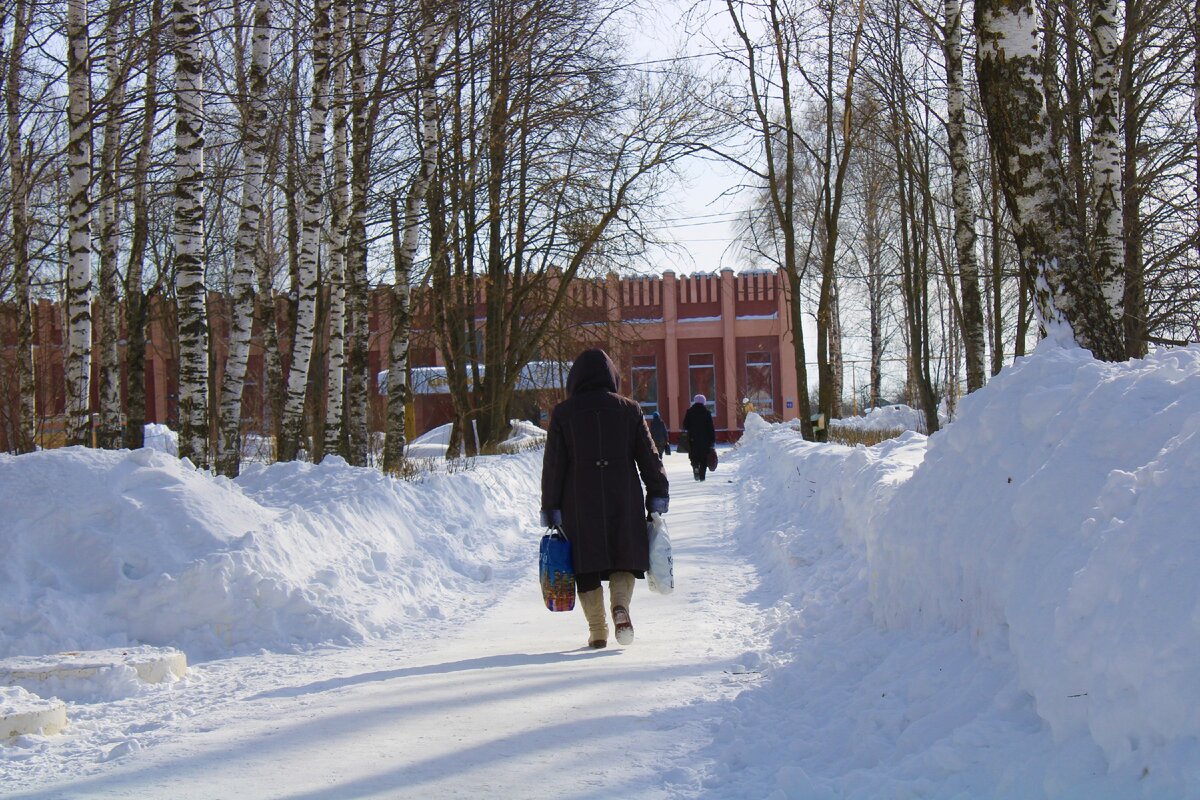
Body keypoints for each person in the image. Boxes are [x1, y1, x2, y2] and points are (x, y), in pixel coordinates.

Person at [541, 349, 669, 649]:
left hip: (578, 500)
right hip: (622, 495)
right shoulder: (630, 409)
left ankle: (597, 630)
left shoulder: (563, 413)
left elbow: (554, 465)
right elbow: (649, 457)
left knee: (585, 564)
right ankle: (620, 606)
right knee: (623, 556)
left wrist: (551, 507)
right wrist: (657, 494)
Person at [683, 394, 716, 482]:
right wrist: (712, 440)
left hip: (692, 439)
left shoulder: (689, 412)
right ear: (704, 402)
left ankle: (695, 468)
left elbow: (685, 425)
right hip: (705, 440)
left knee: (694, 457)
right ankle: (702, 476)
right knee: (704, 459)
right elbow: (711, 428)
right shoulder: (707, 413)